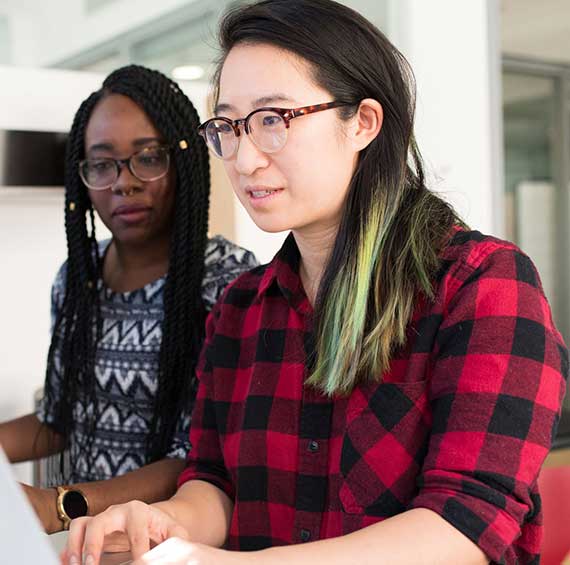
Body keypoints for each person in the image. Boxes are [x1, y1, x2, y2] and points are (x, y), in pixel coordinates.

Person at [62, 2, 568, 564]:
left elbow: (465, 524)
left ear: (363, 122)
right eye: (228, 127)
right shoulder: (241, 306)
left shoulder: (481, 285)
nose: (245, 160)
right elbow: (215, 482)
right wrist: (167, 524)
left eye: (272, 119)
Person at [0, 65, 257, 534]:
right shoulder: (77, 279)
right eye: (102, 164)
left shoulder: (227, 283)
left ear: (183, 161)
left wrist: (60, 505)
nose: (124, 182)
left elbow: (202, 457)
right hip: (89, 543)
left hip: (175, 543)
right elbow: (59, 419)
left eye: (148, 157)